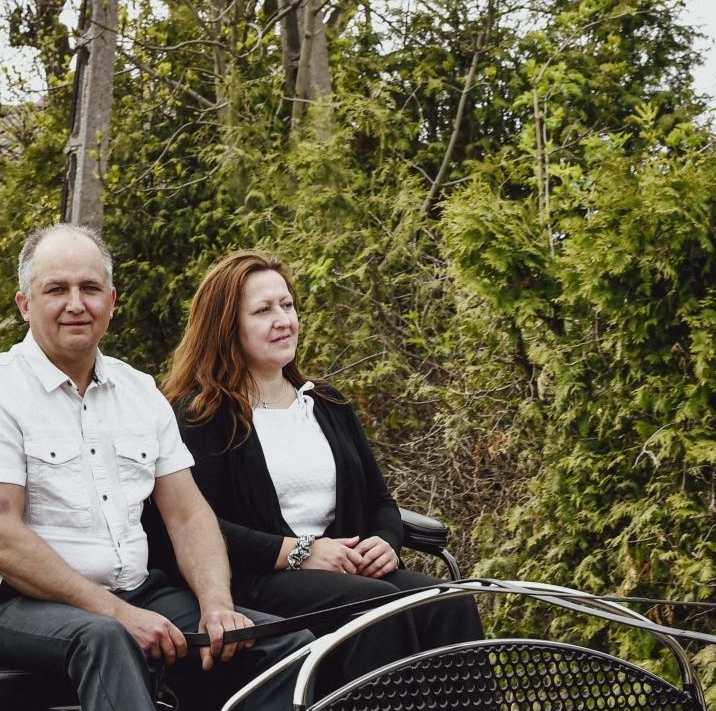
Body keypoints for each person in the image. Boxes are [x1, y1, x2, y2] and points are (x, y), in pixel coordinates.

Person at [0, 224, 313, 711]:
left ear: (112, 302)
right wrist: (120, 613)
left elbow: (189, 514)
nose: (75, 303)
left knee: (281, 644)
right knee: (106, 638)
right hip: (12, 605)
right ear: (24, 304)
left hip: (136, 592)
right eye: (55, 289)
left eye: (90, 288)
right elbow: (0, 540)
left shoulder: (140, 394)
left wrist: (217, 603)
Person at [161, 250, 484, 686]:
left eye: (287, 305)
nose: (283, 320)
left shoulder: (327, 404)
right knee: (374, 607)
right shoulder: (202, 415)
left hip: (345, 570)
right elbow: (197, 525)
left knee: (449, 604)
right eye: (262, 311)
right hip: (256, 578)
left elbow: (380, 500)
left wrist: (384, 542)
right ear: (226, 328)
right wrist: (298, 552)